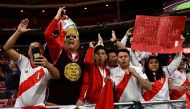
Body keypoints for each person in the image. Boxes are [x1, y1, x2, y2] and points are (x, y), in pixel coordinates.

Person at [3, 19, 60, 107]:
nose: (34, 50)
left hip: (38, 108)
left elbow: (57, 76)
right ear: (29, 52)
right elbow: (7, 48)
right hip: (20, 107)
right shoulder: (24, 62)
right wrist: (18, 31)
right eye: (32, 48)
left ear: (42, 51)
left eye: (38, 48)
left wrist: (48, 65)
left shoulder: (46, 66)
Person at [44, 7, 85, 105]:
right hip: (55, 104)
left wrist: (81, 98)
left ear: (78, 43)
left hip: (75, 104)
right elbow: (47, 34)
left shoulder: (83, 57)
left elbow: (86, 81)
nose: (71, 38)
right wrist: (57, 17)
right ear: (63, 40)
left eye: (74, 37)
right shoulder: (57, 52)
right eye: (67, 36)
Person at [76, 35, 111, 106]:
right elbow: (87, 61)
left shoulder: (107, 71)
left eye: (102, 53)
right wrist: (91, 48)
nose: (100, 55)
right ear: (94, 56)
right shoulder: (91, 67)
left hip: (103, 102)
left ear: (106, 56)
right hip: (90, 103)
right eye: (97, 54)